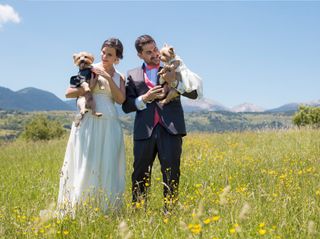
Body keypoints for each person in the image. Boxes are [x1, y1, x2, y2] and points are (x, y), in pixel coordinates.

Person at [122, 35, 201, 212]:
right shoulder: (132, 75)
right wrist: (144, 98)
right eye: (148, 52)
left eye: (155, 49)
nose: (154, 54)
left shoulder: (173, 67)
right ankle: (139, 212)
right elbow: (126, 106)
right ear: (139, 55)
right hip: (144, 131)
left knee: (172, 172)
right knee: (140, 173)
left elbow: (194, 94)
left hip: (171, 128)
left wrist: (174, 81)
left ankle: (170, 213)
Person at [57, 38, 126, 216]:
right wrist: (90, 87)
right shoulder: (88, 68)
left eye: (109, 54)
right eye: (103, 52)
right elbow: (69, 92)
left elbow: (120, 99)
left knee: (107, 163)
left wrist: (108, 78)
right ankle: (79, 208)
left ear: (117, 58)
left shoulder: (120, 76)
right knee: (86, 162)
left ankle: (106, 210)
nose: (104, 56)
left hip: (109, 122)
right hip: (88, 119)